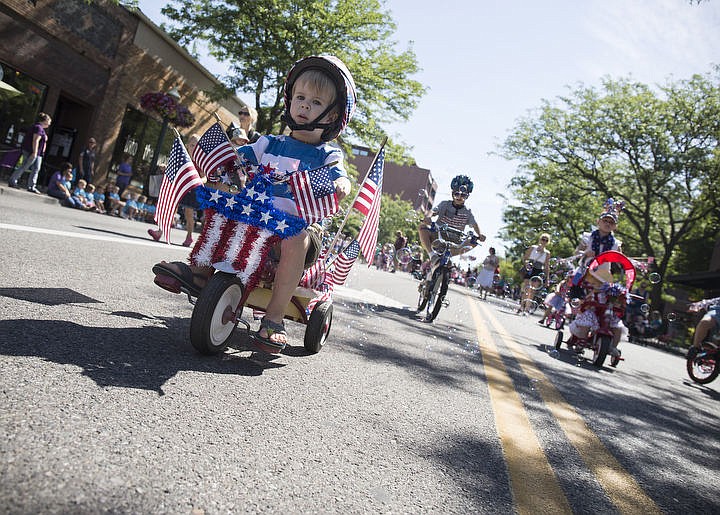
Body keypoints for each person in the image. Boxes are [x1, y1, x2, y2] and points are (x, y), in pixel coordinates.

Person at [152, 55, 356, 351]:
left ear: (333, 115)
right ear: (289, 100)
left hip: (300, 229)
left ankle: (274, 317)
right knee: (222, 204)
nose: (304, 105)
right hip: (256, 217)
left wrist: (340, 185)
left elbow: (341, 178)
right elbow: (237, 158)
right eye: (300, 97)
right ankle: (200, 272)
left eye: (315, 102)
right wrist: (216, 157)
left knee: (295, 236)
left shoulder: (326, 154)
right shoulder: (269, 143)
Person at [567, 200, 625, 358]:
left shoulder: (615, 243)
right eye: (605, 220)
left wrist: (626, 262)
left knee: (608, 310)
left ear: (614, 227)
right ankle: (581, 338)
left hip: (604, 278)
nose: (607, 223)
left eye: (611, 222)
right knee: (588, 305)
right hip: (587, 274)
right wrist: (586, 252)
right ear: (598, 221)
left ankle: (611, 346)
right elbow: (577, 251)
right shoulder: (588, 237)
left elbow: (620, 260)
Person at [148, 135, 204, 247]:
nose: (194, 147)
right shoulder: (183, 157)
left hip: (192, 189)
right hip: (179, 187)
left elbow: (205, 177)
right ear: (187, 145)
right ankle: (160, 232)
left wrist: (199, 181)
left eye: (196, 145)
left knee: (188, 214)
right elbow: (175, 169)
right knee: (170, 207)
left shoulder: (200, 161)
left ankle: (189, 236)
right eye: (192, 145)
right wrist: (166, 167)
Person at [417, 174, 485, 258]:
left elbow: (474, 224)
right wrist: (428, 217)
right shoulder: (445, 204)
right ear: (452, 194)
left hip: (455, 241)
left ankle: (448, 256)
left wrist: (480, 234)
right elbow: (432, 211)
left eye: (463, 195)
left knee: (474, 242)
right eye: (457, 194)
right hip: (438, 235)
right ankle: (432, 255)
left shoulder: (467, 212)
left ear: (467, 197)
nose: (459, 197)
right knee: (422, 227)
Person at [8, 112, 52, 193]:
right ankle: (13, 180)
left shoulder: (42, 129)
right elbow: (35, 140)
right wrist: (34, 152)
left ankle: (32, 186)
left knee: (36, 169)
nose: (50, 123)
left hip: (39, 153)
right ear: (45, 120)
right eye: (49, 121)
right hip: (31, 151)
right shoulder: (38, 128)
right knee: (25, 165)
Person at [517, 234, 551, 314]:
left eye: (546, 240)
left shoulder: (547, 253)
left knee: (532, 291)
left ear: (547, 242)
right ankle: (522, 306)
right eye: (543, 239)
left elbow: (546, 266)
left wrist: (547, 278)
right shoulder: (533, 248)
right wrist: (527, 264)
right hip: (530, 268)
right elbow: (525, 258)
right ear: (540, 239)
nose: (544, 241)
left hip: (538, 270)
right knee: (526, 288)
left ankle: (527, 308)